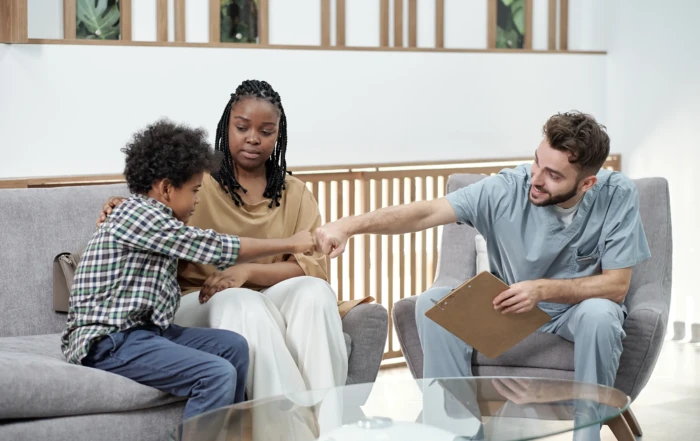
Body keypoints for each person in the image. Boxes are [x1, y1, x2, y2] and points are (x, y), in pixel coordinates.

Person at [315, 111, 651, 441]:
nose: (535, 178)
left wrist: (541, 289)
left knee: (602, 314)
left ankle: (586, 435)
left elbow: (616, 285)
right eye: (537, 161)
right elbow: (426, 212)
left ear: (587, 183)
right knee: (432, 304)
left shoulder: (616, 194)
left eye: (554, 175)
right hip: (512, 308)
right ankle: (456, 432)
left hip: (575, 312)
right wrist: (348, 226)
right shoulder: (505, 189)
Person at [96, 80, 349, 403]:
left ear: (278, 135)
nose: (253, 138)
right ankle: (285, 430)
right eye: (242, 127)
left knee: (316, 293)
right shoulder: (195, 183)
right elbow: (152, 209)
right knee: (241, 301)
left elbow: (309, 266)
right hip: (197, 299)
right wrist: (120, 203)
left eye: (266, 131)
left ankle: (330, 427)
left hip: (264, 290)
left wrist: (246, 273)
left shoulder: (295, 191)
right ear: (226, 125)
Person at [63, 118, 316, 421]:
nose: (198, 200)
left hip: (146, 333)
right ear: (167, 188)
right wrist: (290, 242)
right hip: (109, 341)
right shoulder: (141, 215)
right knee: (216, 374)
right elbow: (216, 247)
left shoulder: (150, 216)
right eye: (195, 190)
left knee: (234, 346)